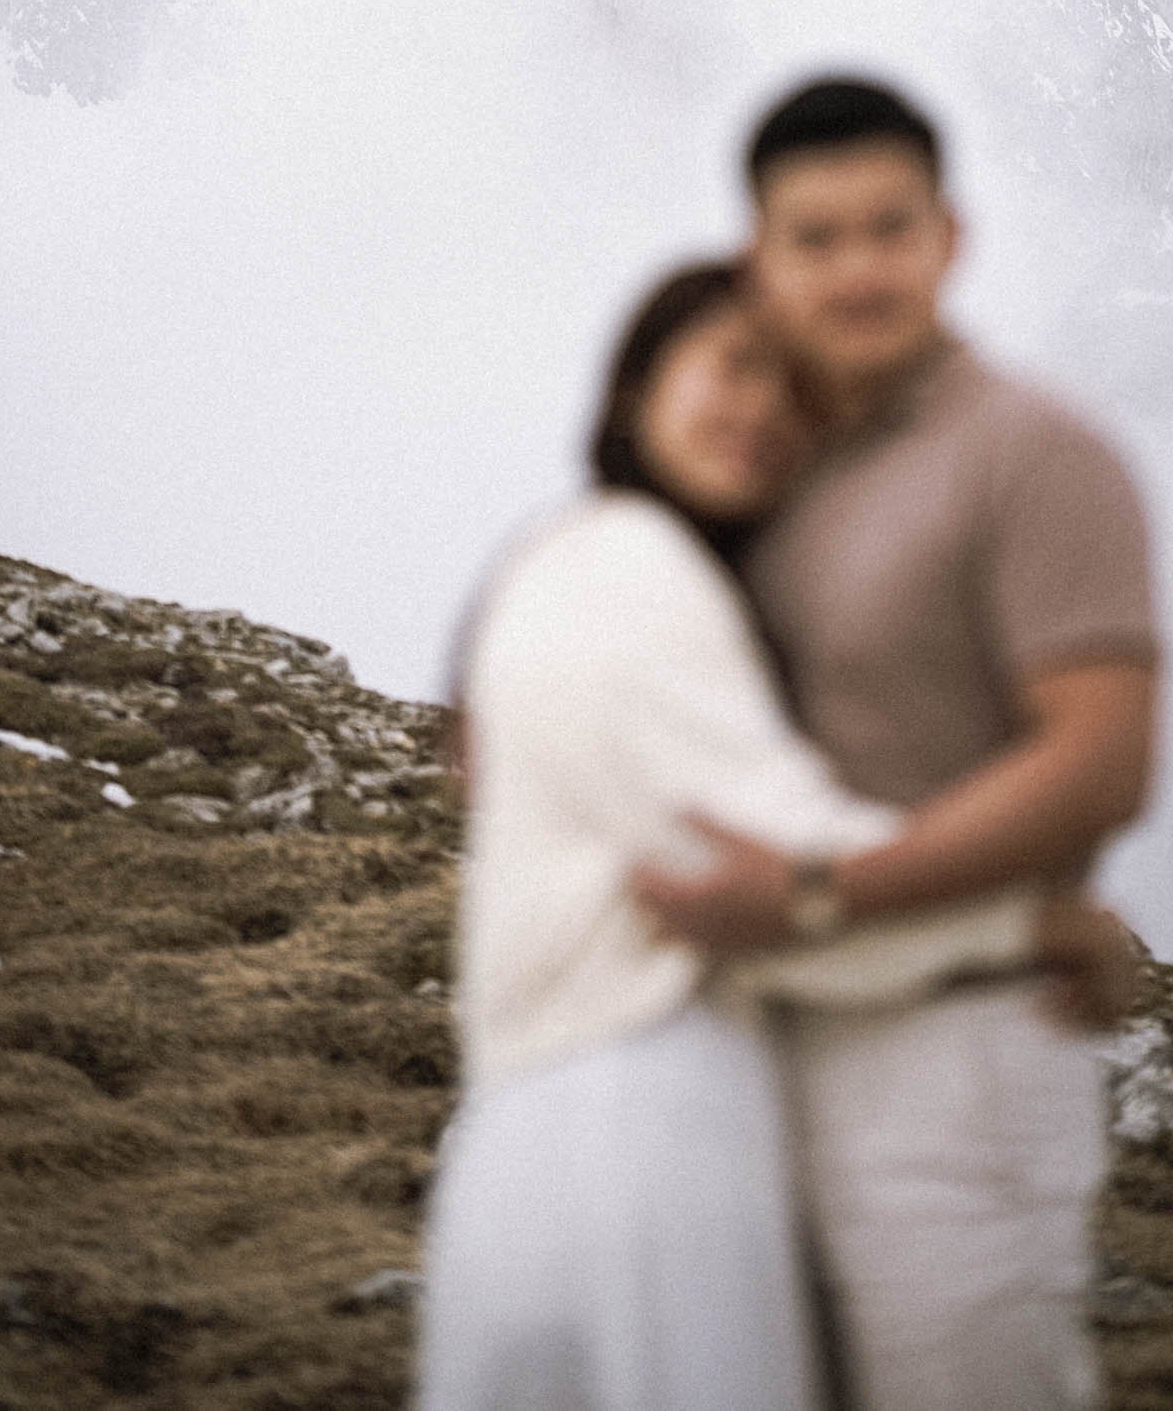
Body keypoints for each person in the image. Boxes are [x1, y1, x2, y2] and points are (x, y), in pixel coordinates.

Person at [419, 258, 1133, 1411]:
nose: (763, 410)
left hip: (551, 1138)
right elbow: (748, 858)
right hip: (641, 1128)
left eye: (798, 394)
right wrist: (1029, 924)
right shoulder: (629, 565)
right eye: (734, 365)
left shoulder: (568, 561)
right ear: (638, 385)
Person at [633, 78, 1163, 1411]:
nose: (856, 270)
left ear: (948, 236)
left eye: (888, 228)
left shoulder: (1035, 455)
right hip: (758, 1052)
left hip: (956, 1057)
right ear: (757, 258)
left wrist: (822, 893)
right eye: (814, 239)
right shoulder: (767, 465)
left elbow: (1102, 760)